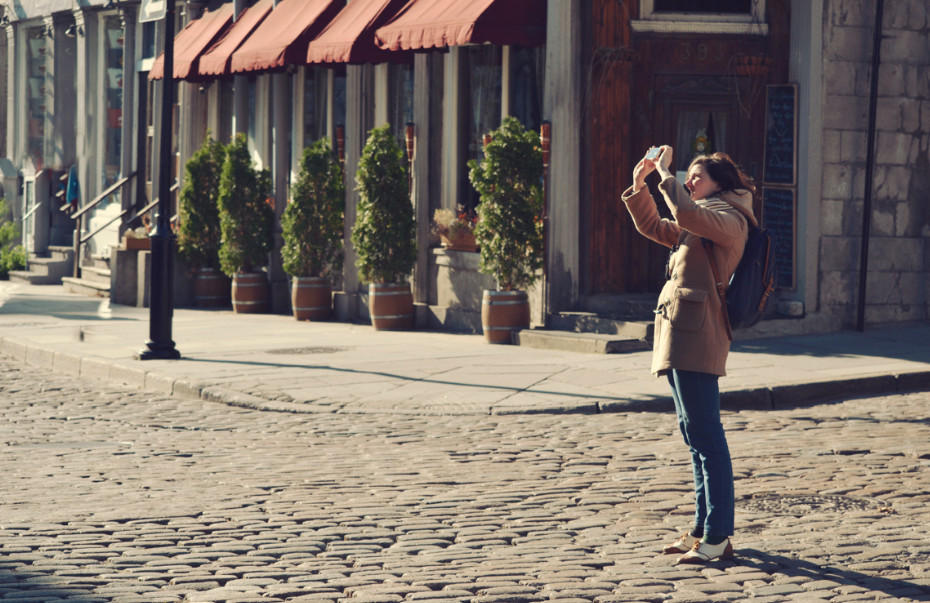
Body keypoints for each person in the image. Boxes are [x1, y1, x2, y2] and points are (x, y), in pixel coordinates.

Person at [620, 146, 757, 564]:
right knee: (693, 434)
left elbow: (684, 212)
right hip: (680, 331)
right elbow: (652, 225)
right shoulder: (701, 217)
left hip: (700, 334)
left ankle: (718, 535)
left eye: (698, 176)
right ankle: (701, 528)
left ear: (720, 182)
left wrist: (665, 174)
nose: (689, 180)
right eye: (688, 175)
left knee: (707, 437)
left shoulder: (729, 218)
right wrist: (640, 184)